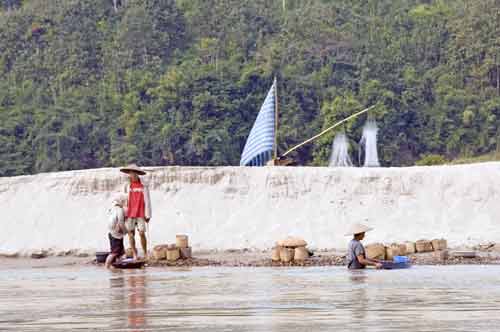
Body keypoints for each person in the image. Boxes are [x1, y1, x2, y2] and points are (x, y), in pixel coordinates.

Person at [120, 164, 152, 260]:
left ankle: (145, 252)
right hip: (129, 213)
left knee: (142, 232)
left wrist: (148, 214)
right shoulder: (126, 186)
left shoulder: (143, 185)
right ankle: (134, 253)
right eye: (130, 173)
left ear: (137, 174)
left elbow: (147, 201)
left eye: (134, 173)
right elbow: (122, 199)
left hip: (141, 212)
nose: (132, 175)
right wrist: (123, 213)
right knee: (130, 233)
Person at [105, 195, 128, 269]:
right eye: (124, 201)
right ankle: (107, 266)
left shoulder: (112, 209)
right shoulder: (120, 210)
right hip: (116, 234)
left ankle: (116, 266)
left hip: (111, 232)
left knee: (120, 252)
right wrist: (125, 231)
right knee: (114, 252)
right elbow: (121, 222)